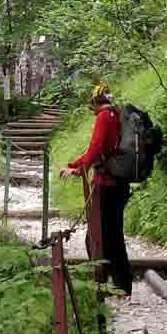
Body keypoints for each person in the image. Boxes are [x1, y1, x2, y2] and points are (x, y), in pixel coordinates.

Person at [61, 85, 131, 296]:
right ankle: (118, 283)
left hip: (106, 184)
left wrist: (77, 169)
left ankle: (107, 283)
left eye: (90, 106)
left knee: (100, 235)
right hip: (120, 182)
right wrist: (76, 164)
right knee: (113, 233)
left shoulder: (104, 116)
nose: (91, 111)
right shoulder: (117, 114)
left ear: (95, 102)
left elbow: (96, 147)